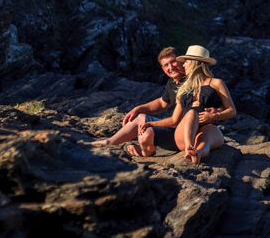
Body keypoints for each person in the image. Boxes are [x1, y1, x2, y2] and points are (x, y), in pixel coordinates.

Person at [90, 46, 231, 157]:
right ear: (162, 69)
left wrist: (217, 112)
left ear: (185, 62)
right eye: (166, 65)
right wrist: (138, 109)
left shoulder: (195, 80)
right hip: (179, 128)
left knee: (195, 126)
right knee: (140, 118)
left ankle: (192, 150)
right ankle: (110, 142)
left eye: (173, 62)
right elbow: (163, 103)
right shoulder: (173, 83)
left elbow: (210, 100)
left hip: (193, 128)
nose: (170, 67)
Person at [140, 45, 235, 163]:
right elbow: (174, 119)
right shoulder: (183, 87)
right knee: (191, 113)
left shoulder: (216, 83)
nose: (183, 65)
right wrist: (152, 124)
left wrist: (216, 116)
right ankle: (189, 147)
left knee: (205, 139)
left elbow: (231, 110)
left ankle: (197, 153)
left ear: (195, 63)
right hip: (184, 132)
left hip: (208, 127)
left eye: (186, 62)